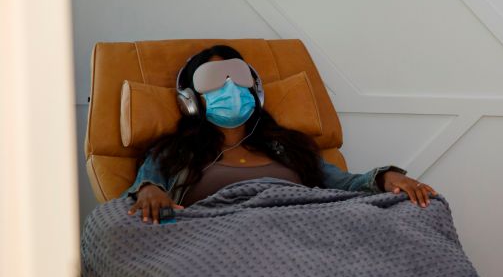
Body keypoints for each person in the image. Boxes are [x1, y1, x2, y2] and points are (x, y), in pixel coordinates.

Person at [124, 44, 436, 222]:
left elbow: (345, 185)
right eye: (215, 81)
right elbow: (147, 186)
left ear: (256, 91)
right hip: (224, 246)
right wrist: (150, 192)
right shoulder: (174, 153)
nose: (230, 88)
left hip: (306, 234)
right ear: (190, 100)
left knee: (423, 214)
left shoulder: (288, 148)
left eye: (238, 78)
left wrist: (387, 178)